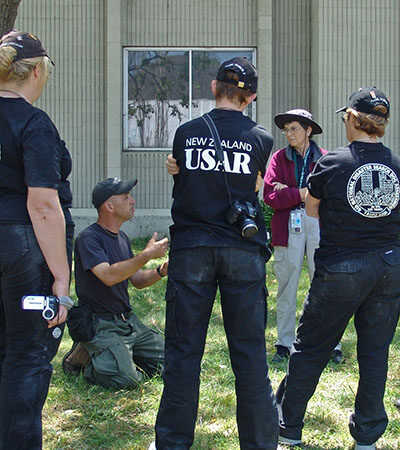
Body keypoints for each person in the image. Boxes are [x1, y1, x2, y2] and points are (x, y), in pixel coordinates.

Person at [150, 57, 279, 450]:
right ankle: (260, 444)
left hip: (192, 249)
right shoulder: (262, 139)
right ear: (251, 96)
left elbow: (184, 186)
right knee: (250, 354)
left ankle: (172, 442)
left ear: (212, 88)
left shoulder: (186, 133)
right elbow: (254, 189)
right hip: (242, 249)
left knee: (183, 353)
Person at [276, 86, 400, 450]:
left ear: (352, 119)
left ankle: (289, 426)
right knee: (375, 353)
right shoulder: (395, 164)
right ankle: (367, 437)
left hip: (343, 267)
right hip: (390, 267)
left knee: (312, 347)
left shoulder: (331, 162)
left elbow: (311, 209)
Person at [0, 30, 74, 449]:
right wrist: (61, 280)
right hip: (23, 250)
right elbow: (43, 205)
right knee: (27, 359)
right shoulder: (33, 122)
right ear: (36, 71)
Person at [62, 177, 167, 389]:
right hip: (100, 324)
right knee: (125, 380)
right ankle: (86, 357)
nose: (133, 201)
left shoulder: (122, 238)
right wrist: (146, 255)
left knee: (173, 366)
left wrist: (160, 271)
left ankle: (112, 354)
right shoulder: (89, 238)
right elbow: (108, 276)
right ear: (109, 206)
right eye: (126, 197)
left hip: (128, 322)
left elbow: (136, 280)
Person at [263, 109, 342, 364]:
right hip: (288, 225)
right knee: (287, 284)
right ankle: (284, 343)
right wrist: (300, 193)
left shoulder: (325, 159)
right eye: (286, 129)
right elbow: (269, 196)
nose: (288, 134)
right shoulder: (278, 158)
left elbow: (329, 197)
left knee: (324, 284)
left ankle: (331, 344)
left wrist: (290, 191)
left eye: (294, 128)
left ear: (308, 130)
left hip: (317, 223)